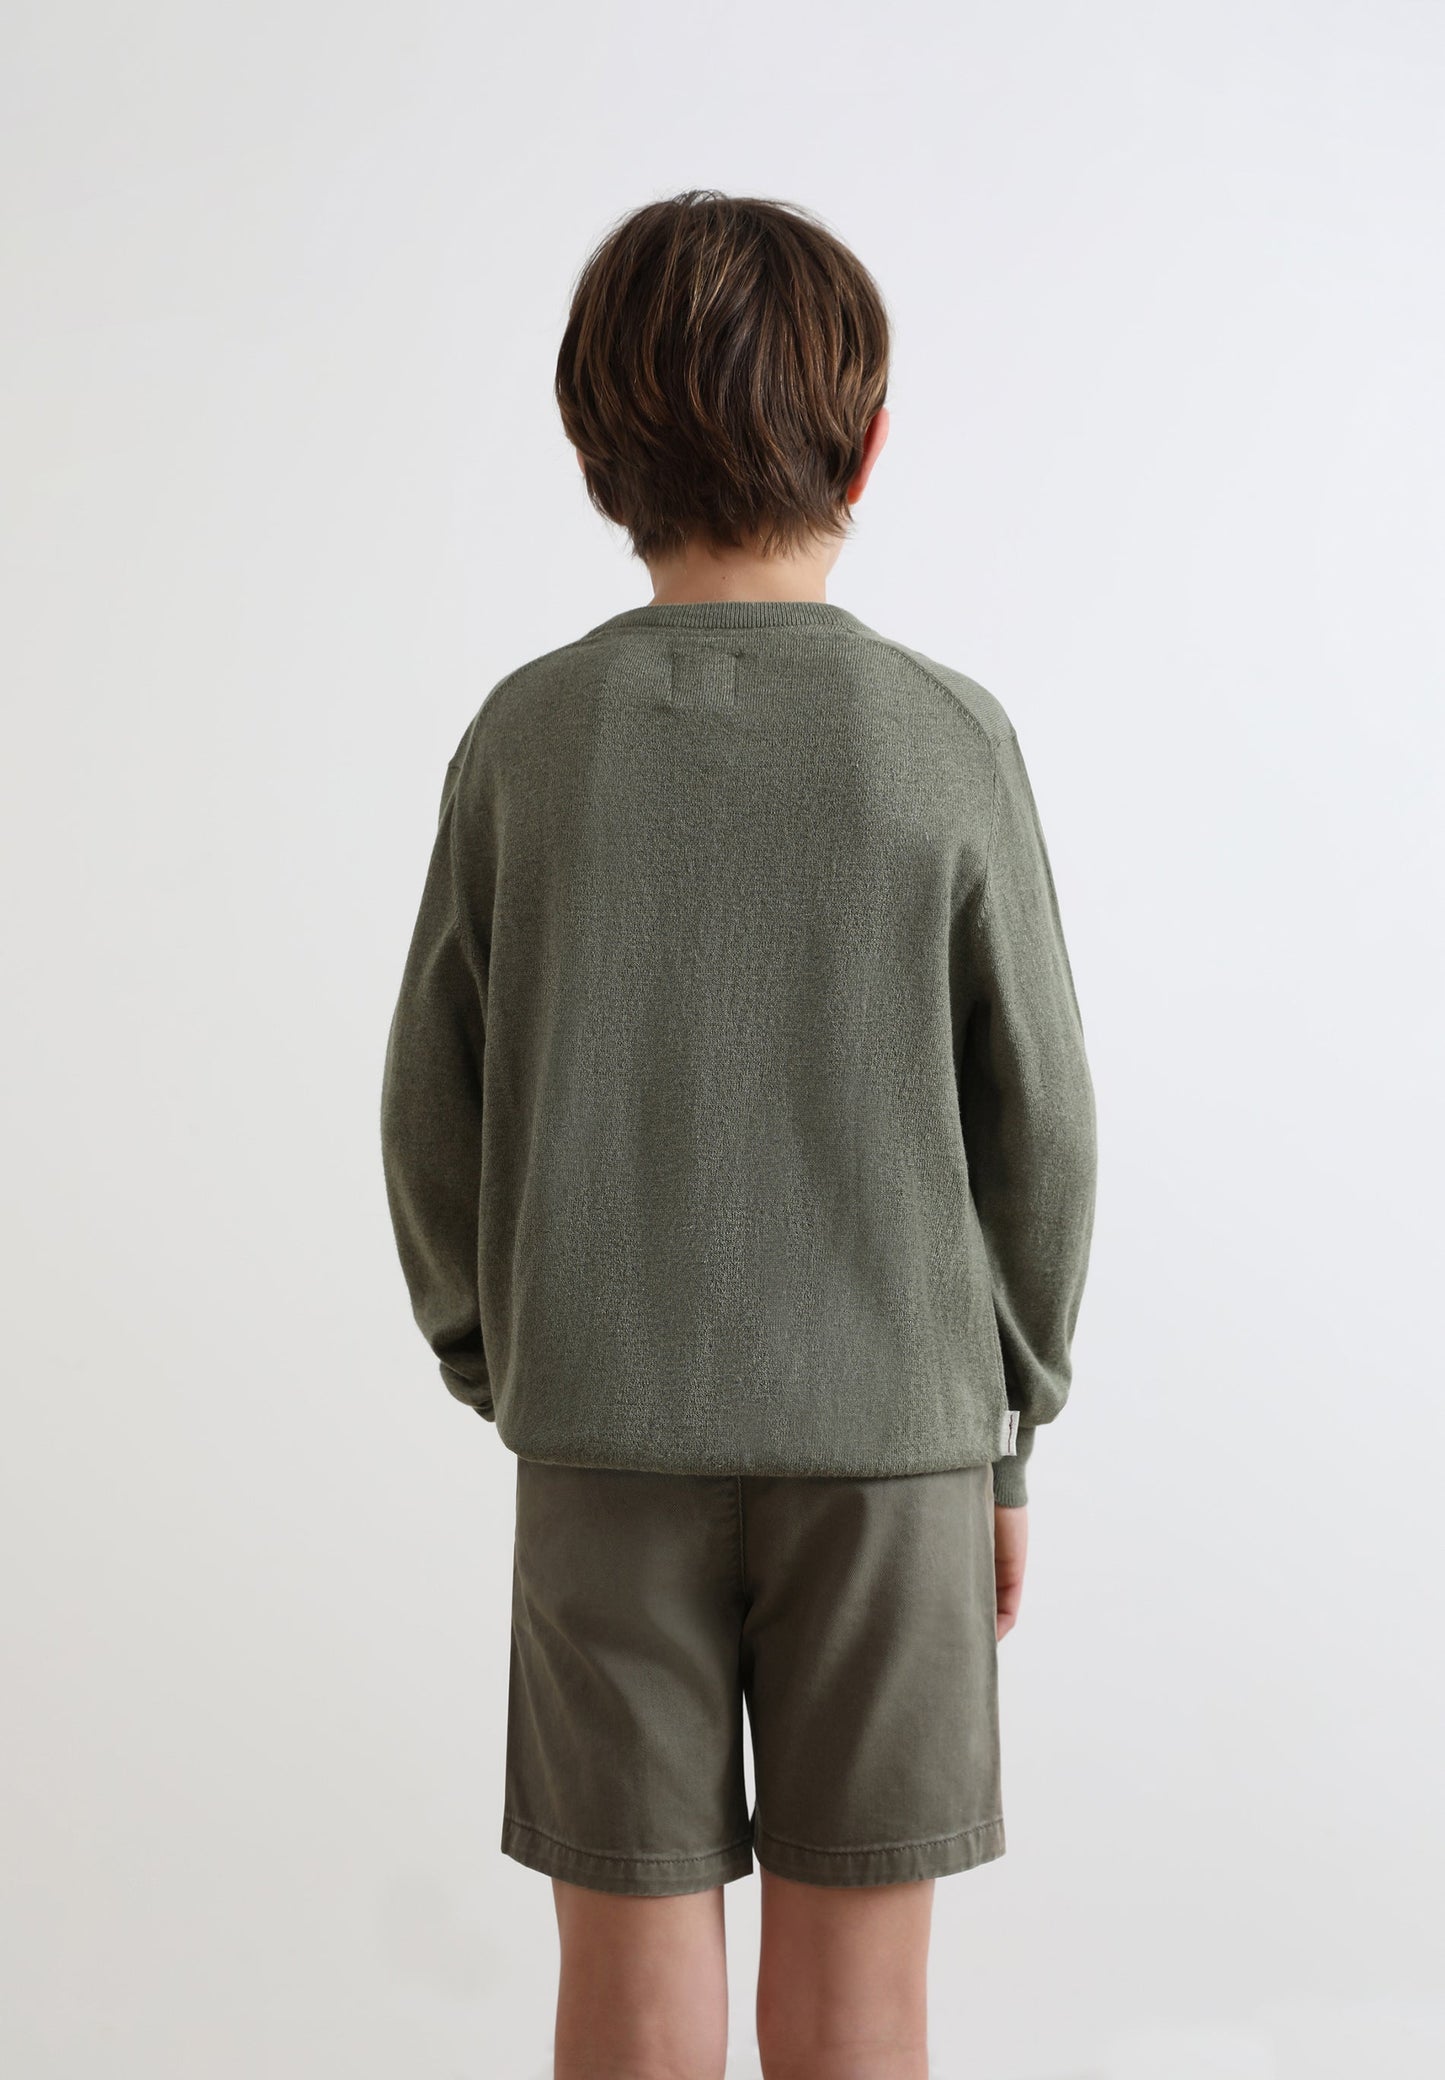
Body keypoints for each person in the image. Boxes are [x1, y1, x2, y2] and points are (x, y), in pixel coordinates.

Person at [380, 189, 1097, 2080]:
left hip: (601, 1436)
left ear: (592, 458)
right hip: (894, 1447)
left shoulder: (527, 740)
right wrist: (1004, 1433)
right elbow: (1040, 1127)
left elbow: (430, 1107)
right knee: (861, 2001)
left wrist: (511, 1359)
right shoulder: (943, 738)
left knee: (625, 1984)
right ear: (868, 447)